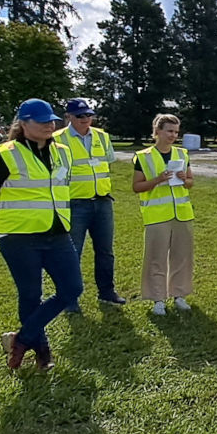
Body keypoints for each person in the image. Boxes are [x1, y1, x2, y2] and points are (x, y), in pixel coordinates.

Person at [0, 98, 81, 371]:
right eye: (41, 121)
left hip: (57, 232)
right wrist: (16, 215)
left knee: (72, 289)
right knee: (31, 294)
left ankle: (21, 339)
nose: (49, 125)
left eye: (51, 121)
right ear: (23, 123)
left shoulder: (63, 152)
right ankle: (42, 352)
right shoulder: (4, 154)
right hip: (18, 237)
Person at [56, 98, 125, 309]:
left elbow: (107, 162)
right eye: (80, 116)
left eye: (89, 115)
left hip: (102, 201)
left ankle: (107, 292)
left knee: (105, 252)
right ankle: (69, 298)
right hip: (75, 203)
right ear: (69, 117)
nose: (85, 119)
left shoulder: (102, 137)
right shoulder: (57, 139)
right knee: (72, 253)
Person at [133, 112, 195, 316]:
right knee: (156, 258)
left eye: (176, 132)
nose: (173, 136)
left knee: (182, 256)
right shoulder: (143, 156)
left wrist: (185, 179)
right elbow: (137, 186)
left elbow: (190, 183)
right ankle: (157, 299)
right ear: (157, 131)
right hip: (157, 215)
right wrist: (157, 180)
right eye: (169, 131)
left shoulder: (182, 154)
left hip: (182, 214)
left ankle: (179, 295)